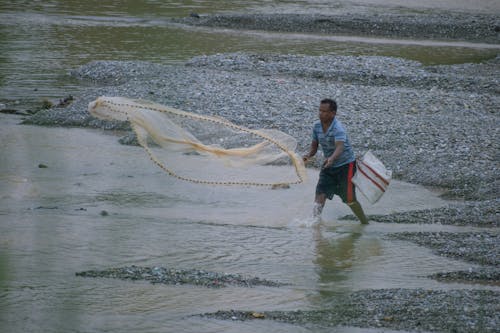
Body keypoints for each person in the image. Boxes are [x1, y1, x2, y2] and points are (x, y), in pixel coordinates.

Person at [302, 98, 368, 224]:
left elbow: (340, 147)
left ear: (333, 113)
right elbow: (314, 146)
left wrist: (332, 158)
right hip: (328, 165)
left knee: (349, 199)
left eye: (325, 111)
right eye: (320, 110)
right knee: (321, 193)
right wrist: (308, 155)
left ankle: (364, 222)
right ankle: (314, 223)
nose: (321, 114)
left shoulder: (338, 128)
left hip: (346, 166)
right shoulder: (316, 126)